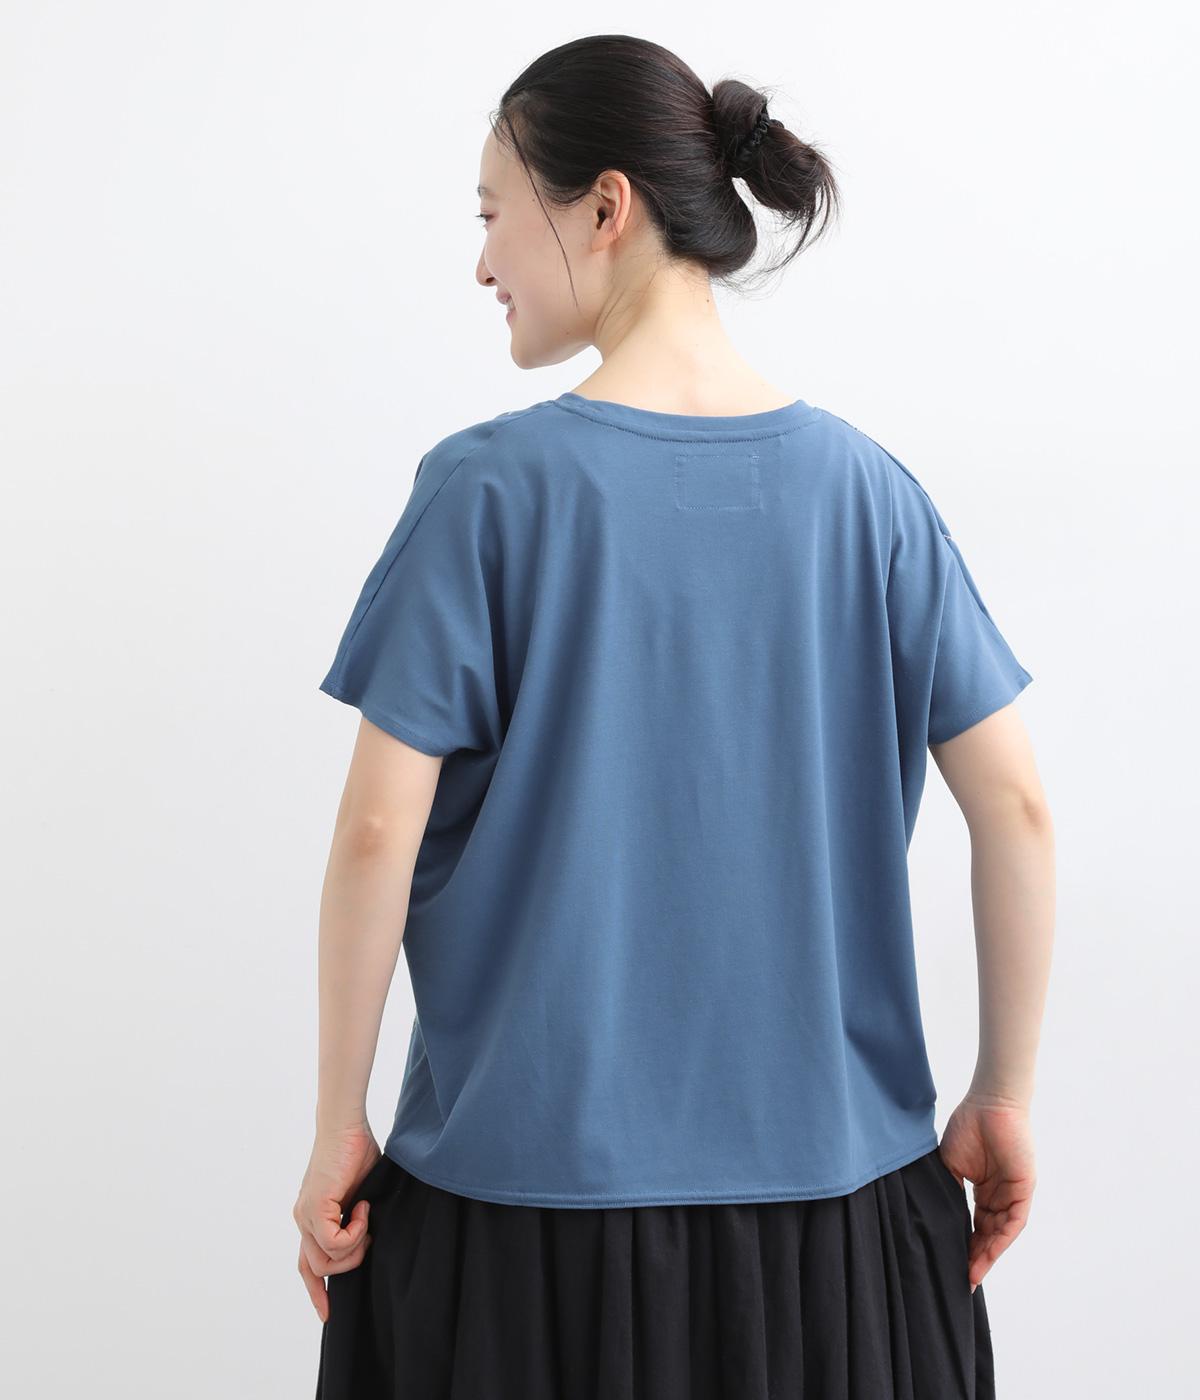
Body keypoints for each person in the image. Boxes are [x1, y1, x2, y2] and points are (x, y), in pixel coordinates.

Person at [295, 33, 1055, 1400]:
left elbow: (372, 838)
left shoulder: (486, 495)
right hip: (844, 1232)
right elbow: (1017, 810)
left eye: (492, 213)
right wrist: (1002, 1094)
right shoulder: (869, 496)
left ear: (605, 207)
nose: (481, 263)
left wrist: (335, 1124)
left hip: (524, 1226)